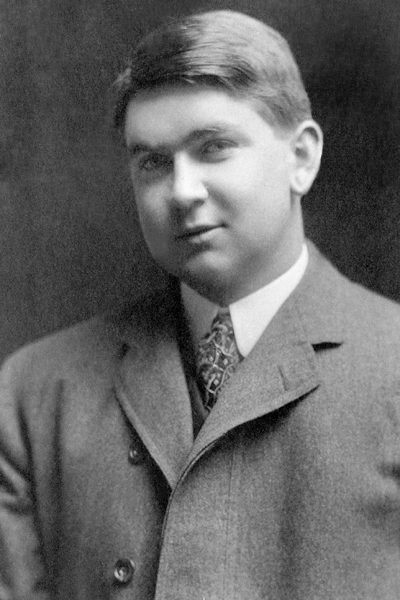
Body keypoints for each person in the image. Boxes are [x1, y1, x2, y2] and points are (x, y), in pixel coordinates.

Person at [1, 9, 400, 600]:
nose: (182, 191)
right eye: (153, 162)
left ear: (301, 158)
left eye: (213, 148)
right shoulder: (36, 392)